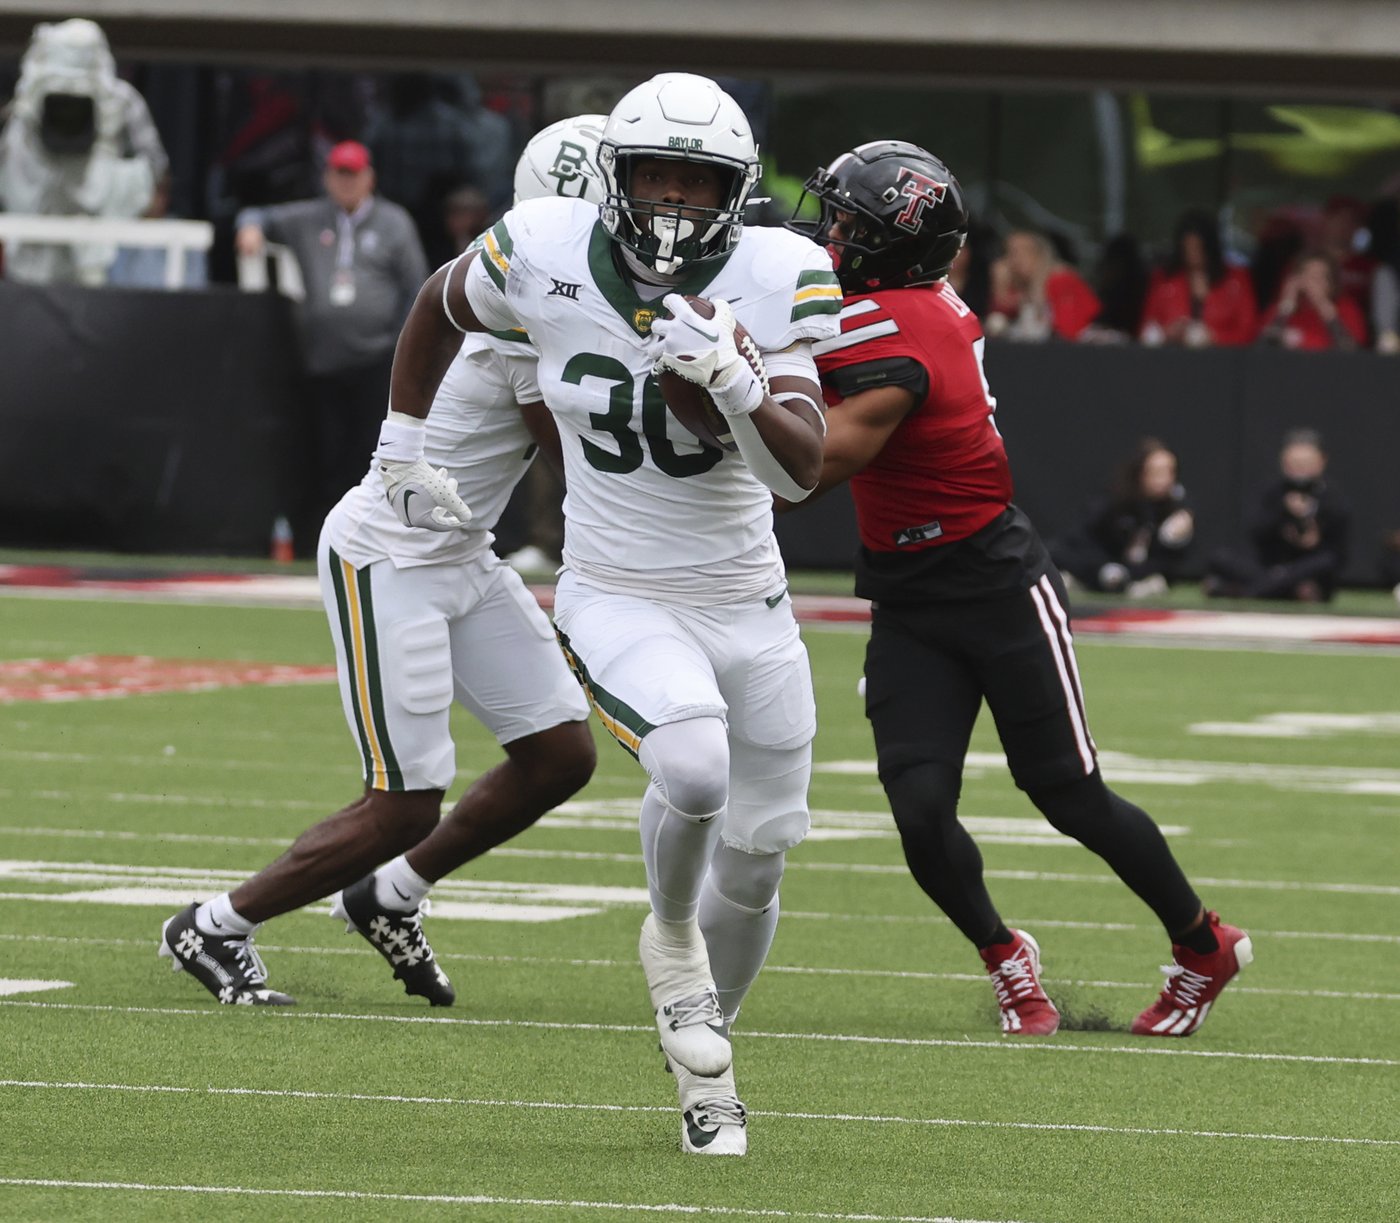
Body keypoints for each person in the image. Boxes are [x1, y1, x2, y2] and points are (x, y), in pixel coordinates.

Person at [372, 72, 841, 1156]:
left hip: (748, 600)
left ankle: (703, 1067)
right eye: (656, 176)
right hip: (617, 588)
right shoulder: (539, 241)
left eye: (699, 180)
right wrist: (399, 440)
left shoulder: (779, 271)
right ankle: (670, 941)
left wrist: (733, 383)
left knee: (764, 844)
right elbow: (437, 305)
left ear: (737, 191)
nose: (675, 201)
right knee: (692, 770)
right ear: (613, 178)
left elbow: (797, 475)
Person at [781, 139, 1251, 1041]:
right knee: (919, 809)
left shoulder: (901, 327)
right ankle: (1005, 955)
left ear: (894, 248)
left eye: (850, 225)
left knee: (1067, 792)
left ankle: (1204, 942)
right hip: (910, 592)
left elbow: (809, 465)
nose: (830, 236)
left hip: (994, 580)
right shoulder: (894, 303)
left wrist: (724, 375)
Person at [158, 117, 608, 1012]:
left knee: (560, 754)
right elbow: (574, 453)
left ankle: (389, 893)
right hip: (389, 553)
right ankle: (214, 923)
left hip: (460, 548)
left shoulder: (561, 286)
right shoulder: (532, 297)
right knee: (403, 803)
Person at [236, 141, 429, 533]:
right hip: (322, 360)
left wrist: (400, 347)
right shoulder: (309, 218)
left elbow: (417, 288)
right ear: (327, 177)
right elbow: (254, 214)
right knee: (324, 453)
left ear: (369, 177)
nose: (346, 182)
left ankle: (374, 533)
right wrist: (250, 229)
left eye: (353, 174)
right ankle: (321, 537)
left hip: (377, 360)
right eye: (339, 174)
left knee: (372, 454)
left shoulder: (394, 223)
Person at [0, 17, 168, 285]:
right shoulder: (24, 107)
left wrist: (118, 195)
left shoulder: (121, 102)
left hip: (107, 262)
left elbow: (156, 177)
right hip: (29, 262)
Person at [1204, 428, 1350, 601]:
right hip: (1272, 567)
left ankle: (1241, 591)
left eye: (1306, 463)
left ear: (1321, 461)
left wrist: (1312, 535)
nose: (1300, 469)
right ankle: (1284, 589)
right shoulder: (1272, 493)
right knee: (1221, 557)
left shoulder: (1332, 498)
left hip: (1308, 570)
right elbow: (1256, 532)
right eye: (1294, 463)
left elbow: (1338, 552)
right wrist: (1283, 512)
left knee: (1324, 562)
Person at [1050, 438, 1193, 596]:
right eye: (1156, 472)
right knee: (1057, 551)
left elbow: (1170, 560)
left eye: (1170, 472)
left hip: (1137, 569)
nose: (1164, 479)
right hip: (1103, 561)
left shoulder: (1176, 505)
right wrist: (1102, 567)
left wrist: (1172, 539)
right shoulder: (1115, 499)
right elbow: (1082, 538)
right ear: (1140, 473)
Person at [1139, 209, 1257, 347]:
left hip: (1224, 361)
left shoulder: (1236, 279)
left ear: (1209, 247)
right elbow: (1147, 327)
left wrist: (1214, 336)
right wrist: (1168, 332)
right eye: (1188, 248)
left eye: (1198, 247)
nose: (1193, 254)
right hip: (1173, 358)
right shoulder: (1164, 280)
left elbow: (1249, 330)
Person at [985, 229, 1100, 342]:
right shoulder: (1019, 284)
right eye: (1009, 252)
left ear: (1040, 253)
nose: (1014, 260)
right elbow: (996, 326)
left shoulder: (1061, 279)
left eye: (1023, 251)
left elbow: (1069, 331)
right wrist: (1000, 288)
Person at [1257, 252, 1367, 351]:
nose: (1311, 282)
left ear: (1331, 283)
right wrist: (1286, 307)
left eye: (1319, 277)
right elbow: (1261, 347)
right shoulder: (1281, 308)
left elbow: (1351, 351)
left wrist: (1328, 312)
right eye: (1306, 275)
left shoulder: (1346, 307)